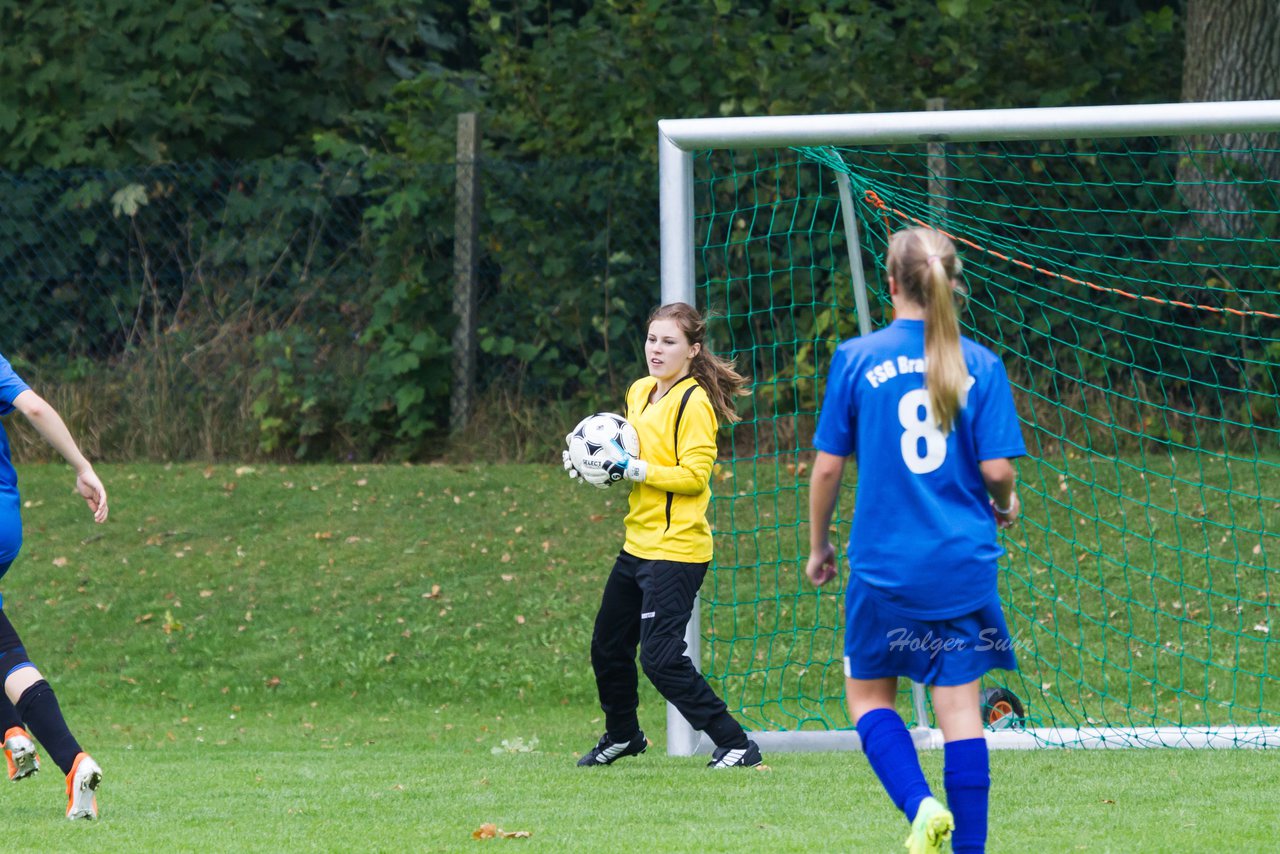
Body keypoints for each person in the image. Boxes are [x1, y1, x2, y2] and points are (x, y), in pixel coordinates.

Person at [805, 227, 1025, 854]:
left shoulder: (856, 357)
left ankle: (920, 803)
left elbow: (826, 469)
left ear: (892, 283)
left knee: (869, 698)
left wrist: (818, 546)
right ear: (949, 282)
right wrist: (1005, 508)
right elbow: (999, 472)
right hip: (961, 567)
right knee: (961, 714)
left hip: (884, 569)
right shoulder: (979, 363)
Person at [562, 302, 762, 768]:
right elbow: (631, 460)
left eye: (669, 342)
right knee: (607, 645)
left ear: (692, 351)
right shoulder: (639, 391)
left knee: (660, 657)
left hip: (677, 551)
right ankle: (624, 735)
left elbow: (693, 476)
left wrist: (633, 467)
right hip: (638, 545)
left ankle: (735, 743)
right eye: (652, 339)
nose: (656, 349)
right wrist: (592, 466)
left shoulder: (695, 404)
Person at [0, 353, 106, 819]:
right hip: (5, 522)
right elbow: (36, 408)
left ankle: (18, 735)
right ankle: (60, 756)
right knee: (4, 651)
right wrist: (82, 466)